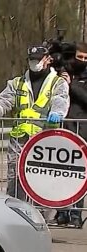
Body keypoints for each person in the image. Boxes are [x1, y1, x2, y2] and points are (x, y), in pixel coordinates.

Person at [0, 45, 70, 202]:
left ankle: (42, 217)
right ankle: (16, 214)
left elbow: (60, 99)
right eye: (31, 60)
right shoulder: (18, 83)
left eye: (37, 60)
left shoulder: (57, 82)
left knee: (44, 180)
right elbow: (4, 101)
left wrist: (57, 113)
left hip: (44, 140)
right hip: (19, 140)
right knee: (15, 179)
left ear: (47, 59)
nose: (34, 63)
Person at [53, 43, 87, 228]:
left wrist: (71, 84)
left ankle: (75, 215)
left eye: (85, 58)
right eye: (79, 57)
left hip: (82, 131)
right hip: (63, 128)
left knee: (78, 176)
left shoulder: (78, 79)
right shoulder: (63, 73)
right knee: (60, 174)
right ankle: (62, 213)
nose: (81, 61)